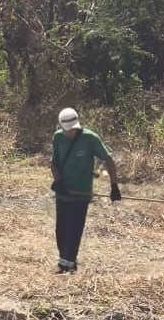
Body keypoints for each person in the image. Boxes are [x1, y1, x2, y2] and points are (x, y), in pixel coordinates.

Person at [50, 107, 121, 273]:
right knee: (61, 230)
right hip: (64, 193)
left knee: (74, 229)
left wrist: (114, 185)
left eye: (73, 129)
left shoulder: (90, 138)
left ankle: (67, 264)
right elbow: (54, 162)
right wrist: (58, 181)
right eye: (68, 130)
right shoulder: (58, 137)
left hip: (81, 194)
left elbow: (108, 159)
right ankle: (65, 261)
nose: (70, 133)